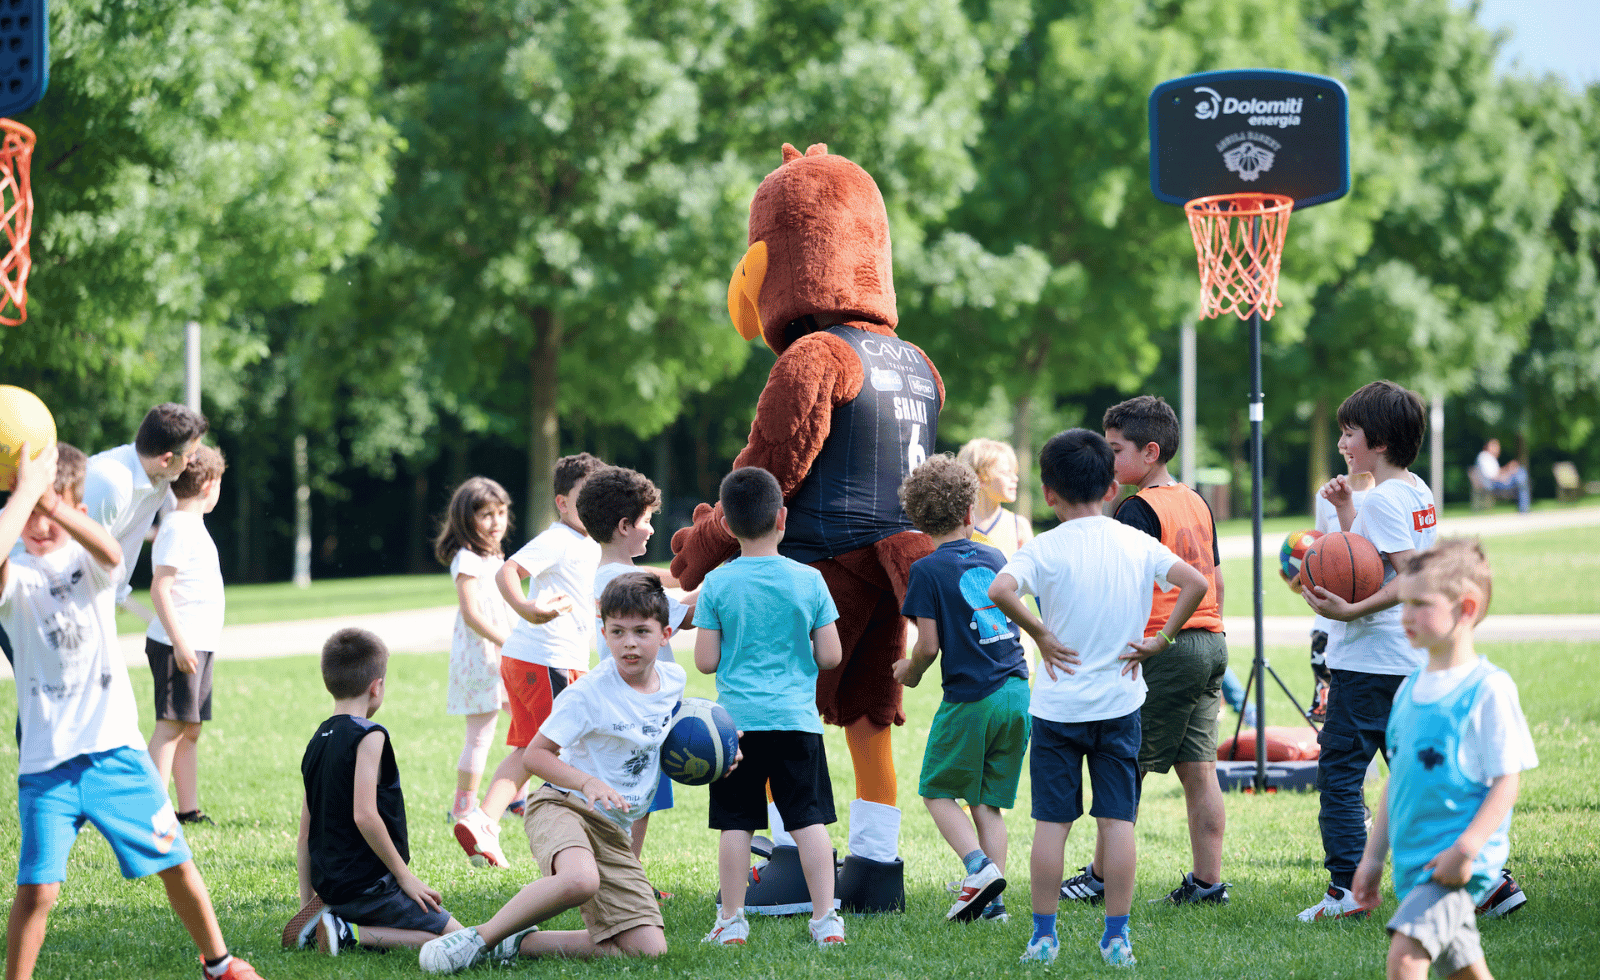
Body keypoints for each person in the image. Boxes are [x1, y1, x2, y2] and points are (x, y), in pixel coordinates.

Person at [1, 442, 264, 980]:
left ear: (77, 508)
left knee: (175, 861)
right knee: (38, 890)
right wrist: (28, 493)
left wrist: (51, 505)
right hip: (47, 766)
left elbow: (114, 555)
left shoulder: (89, 563)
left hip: (116, 753)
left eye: (57, 510)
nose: (42, 524)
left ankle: (220, 965)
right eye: (30, 514)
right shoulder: (17, 578)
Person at [988, 429, 1209, 968]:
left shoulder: (1042, 547)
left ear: (1048, 494)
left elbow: (998, 590)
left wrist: (1039, 633)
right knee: (1118, 823)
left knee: (1051, 825)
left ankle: (1043, 937)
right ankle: (1116, 938)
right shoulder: (1135, 542)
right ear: (1111, 488)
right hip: (1121, 706)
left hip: (1058, 710)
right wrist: (1162, 638)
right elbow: (1195, 583)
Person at [417, 574, 687, 973]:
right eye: (618, 631)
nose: (630, 642)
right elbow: (535, 756)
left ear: (665, 635)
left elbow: (674, 736)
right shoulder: (588, 693)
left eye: (641, 631)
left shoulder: (673, 683)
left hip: (613, 828)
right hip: (564, 805)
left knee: (649, 952)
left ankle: (520, 943)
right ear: (604, 633)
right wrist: (587, 782)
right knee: (581, 880)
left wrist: (719, 756)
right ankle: (477, 940)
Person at [1351, 540, 1538, 979]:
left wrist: (1466, 848)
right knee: (1465, 970)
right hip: (1417, 861)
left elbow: (1506, 782)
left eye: (1421, 604)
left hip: (1457, 862)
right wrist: (1373, 859)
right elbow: (1396, 783)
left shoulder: (1487, 689)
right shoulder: (1409, 689)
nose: (1405, 615)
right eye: (1403, 603)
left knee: (1406, 955)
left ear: (1465, 608)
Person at [1299, 380, 1439, 921]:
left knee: (1338, 775)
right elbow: (1370, 558)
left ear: (1377, 440)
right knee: (1417, 770)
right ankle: (1489, 880)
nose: (1341, 443)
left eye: (1349, 432)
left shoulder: (1382, 497)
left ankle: (1346, 891)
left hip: (1369, 661)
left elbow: (1404, 578)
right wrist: (1344, 514)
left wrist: (1348, 612)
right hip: (1408, 657)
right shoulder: (1415, 491)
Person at [1084, 394, 1230, 906]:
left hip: (1164, 648)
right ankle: (1208, 883)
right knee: (1199, 768)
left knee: (1124, 765)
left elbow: (1121, 590)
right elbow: (1214, 578)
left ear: (1150, 452)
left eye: (1115, 449)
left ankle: (1102, 877)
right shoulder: (1195, 499)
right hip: (1211, 642)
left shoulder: (1136, 509)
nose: (1108, 458)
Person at [695, 466, 847, 947]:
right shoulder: (810, 580)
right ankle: (826, 921)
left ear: (725, 525)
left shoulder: (717, 584)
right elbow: (831, 655)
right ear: (783, 518)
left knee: (736, 822)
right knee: (808, 820)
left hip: (734, 729)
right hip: (796, 723)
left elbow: (705, 661)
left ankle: (732, 920)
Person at [893, 456, 1029, 924]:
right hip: (1016, 691)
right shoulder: (994, 556)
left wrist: (907, 673)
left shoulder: (927, 570)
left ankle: (977, 869)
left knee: (936, 790)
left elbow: (927, 645)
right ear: (971, 512)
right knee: (986, 802)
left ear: (916, 521)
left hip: (972, 698)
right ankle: (994, 906)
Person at [452, 453, 606, 868]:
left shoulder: (589, 542)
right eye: (584, 497)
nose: (594, 505)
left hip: (537, 660)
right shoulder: (559, 538)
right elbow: (507, 571)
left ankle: (484, 820)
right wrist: (526, 609)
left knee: (530, 746)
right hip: (546, 661)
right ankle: (575, 844)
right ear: (561, 502)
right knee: (558, 750)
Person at [285, 628, 463, 955]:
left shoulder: (317, 740)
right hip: (370, 889)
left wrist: (308, 905)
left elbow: (304, 835)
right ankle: (350, 934)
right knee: (460, 939)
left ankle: (329, 923)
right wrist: (405, 877)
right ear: (376, 687)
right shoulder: (369, 735)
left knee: (451, 937)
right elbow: (365, 815)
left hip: (332, 891)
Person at [576, 465, 695, 865]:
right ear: (625, 525)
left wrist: (698, 569)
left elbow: (665, 577)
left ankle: (628, 873)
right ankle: (627, 876)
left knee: (639, 791)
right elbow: (685, 617)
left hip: (626, 693)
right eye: (646, 521)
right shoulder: (628, 582)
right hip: (640, 698)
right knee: (639, 792)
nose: (651, 529)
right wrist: (732, 583)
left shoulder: (613, 572)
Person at [145, 444, 228, 827]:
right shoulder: (178, 526)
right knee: (171, 726)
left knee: (189, 728)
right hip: (179, 644)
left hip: (198, 644)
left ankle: (187, 810)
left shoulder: (189, 525)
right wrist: (179, 642)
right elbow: (160, 587)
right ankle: (150, 814)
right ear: (209, 484)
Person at [432, 476, 518, 823]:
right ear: (467, 519)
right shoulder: (467, 559)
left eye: (501, 513)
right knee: (480, 736)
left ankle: (515, 797)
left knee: (528, 724)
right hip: (483, 658)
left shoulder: (494, 556)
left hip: (503, 653)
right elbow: (471, 615)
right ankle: (464, 807)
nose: (496, 522)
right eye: (486, 515)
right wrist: (507, 643)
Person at [83, 402, 208, 615]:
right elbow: (80, 555)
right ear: (166, 459)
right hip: (40, 602)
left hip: (95, 602)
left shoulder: (160, 479)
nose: (192, 461)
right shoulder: (111, 482)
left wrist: (116, 596)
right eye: (190, 455)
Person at [957, 438, 1033, 558]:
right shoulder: (955, 525)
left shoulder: (1019, 526)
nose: (1015, 478)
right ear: (979, 478)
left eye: (1014, 472)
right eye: (1006, 473)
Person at [1473, 439, 1529, 513]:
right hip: (1492, 484)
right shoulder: (1484, 457)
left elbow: (1497, 472)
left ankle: (1523, 508)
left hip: (1495, 482)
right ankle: (1523, 509)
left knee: (1520, 475)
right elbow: (1492, 477)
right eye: (1495, 446)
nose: (1497, 448)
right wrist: (1506, 473)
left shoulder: (1490, 458)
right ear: (1488, 447)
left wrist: (1508, 469)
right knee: (1520, 476)